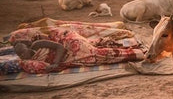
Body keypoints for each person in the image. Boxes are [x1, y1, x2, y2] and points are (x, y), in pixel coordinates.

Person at [11, 26, 144, 73]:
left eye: (23, 51)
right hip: (68, 57)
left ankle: (139, 52)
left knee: (96, 54)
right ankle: (133, 46)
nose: (24, 55)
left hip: (68, 44)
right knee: (96, 51)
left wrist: (56, 63)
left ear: (27, 47)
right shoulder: (29, 62)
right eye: (21, 54)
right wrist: (54, 65)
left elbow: (59, 47)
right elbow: (44, 68)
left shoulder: (37, 45)